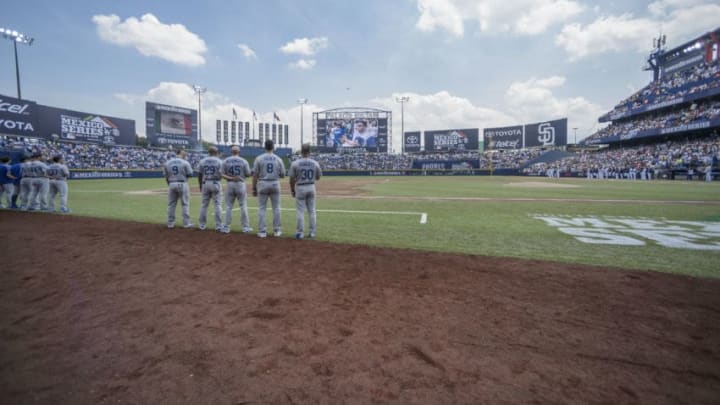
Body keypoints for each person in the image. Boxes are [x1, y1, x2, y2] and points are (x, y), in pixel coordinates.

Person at [252, 139, 285, 238]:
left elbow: (255, 175)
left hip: (262, 183)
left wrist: (254, 188)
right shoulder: (278, 159)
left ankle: (262, 231)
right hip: (275, 183)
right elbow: (283, 174)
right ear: (273, 147)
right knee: (276, 208)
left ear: (265, 147)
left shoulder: (259, 158)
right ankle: (277, 231)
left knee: (262, 208)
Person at [289, 143, 322, 239]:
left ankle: (300, 233)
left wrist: (292, 190)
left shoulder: (295, 163)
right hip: (311, 186)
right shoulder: (315, 163)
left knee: (300, 211)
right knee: (312, 211)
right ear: (309, 152)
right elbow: (318, 177)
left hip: (300, 187)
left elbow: (291, 179)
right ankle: (312, 232)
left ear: (301, 151)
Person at [221, 145, 253, 234]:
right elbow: (248, 174)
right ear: (239, 152)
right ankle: (245, 227)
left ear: (231, 151)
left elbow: (222, 174)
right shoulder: (244, 161)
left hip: (230, 184)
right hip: (240, 183)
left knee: (228, 206)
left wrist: (230, 178)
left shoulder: (226, 160)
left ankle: (226, 227)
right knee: (243, 206)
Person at [163, 150, 193, 228]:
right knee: (185, 204)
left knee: (171, 204)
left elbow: (166, 176)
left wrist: (169, 184)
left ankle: (170, 223)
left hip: (171, 183)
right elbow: (190, 174)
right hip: (182, 183)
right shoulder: (185, 162)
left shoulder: (167, 163)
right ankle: (186, 223)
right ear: (181, 154)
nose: (185, 154)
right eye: (184, 153)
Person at [197, 147, 224, 231]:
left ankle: (202, 225)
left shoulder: (202, 161)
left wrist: (200, 185)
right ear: (216, 152)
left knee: (204, 205)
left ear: (208, 152)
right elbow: (222, 174)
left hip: (205, 182)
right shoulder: (220, 161)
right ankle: (219, 226)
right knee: (217, 205)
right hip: (215, 182)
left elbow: (200, 174)